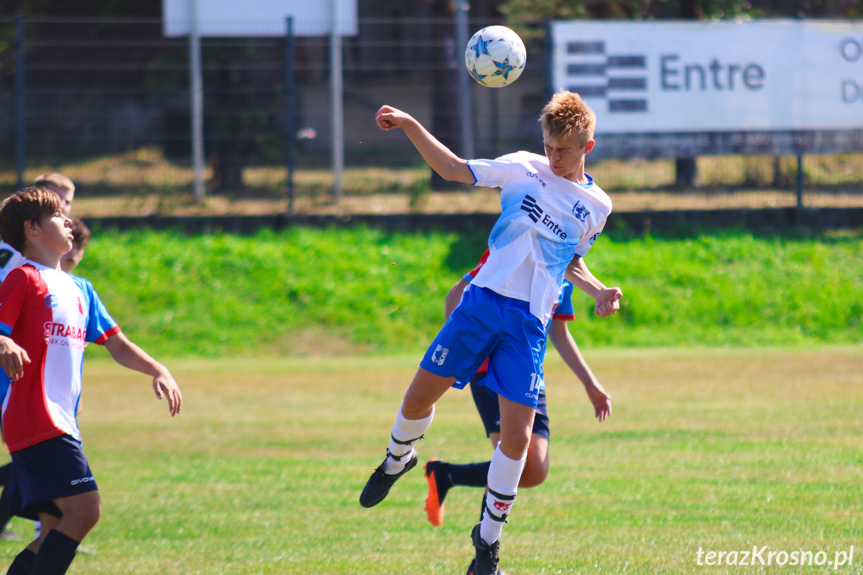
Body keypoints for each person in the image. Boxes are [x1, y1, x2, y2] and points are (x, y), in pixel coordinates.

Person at [360, 91, 621, 575]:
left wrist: (598, 290)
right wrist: (413, 124)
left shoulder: (596, 206)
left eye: (563, 150)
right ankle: (398, 459)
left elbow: (570, 260)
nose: (552, 157)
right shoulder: (522, 168)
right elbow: (455, 168)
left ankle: (487, 544)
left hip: (527, 326)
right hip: (480, 306)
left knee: (519, 443)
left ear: (588, 145)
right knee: (417, 402)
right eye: (547, 145)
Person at [0, 187, 183, 575]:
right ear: (32, 229)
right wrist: (4, 341)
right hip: (35, 417)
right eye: (57, 215)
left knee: (52, 527)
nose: (68, 220)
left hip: (63, 418)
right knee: (85, 510)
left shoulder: (80, 289)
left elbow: (117, 344)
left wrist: (158, 369)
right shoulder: (22, 278)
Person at [426, 250, 612, 575]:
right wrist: (459, 357)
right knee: (513, 460)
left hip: (527, 372)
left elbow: (559, 332)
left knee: (535, 469)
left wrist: (590, 384)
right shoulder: (517, 248)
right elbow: (456, 295)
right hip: (489, 369)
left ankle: (446, 475)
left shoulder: (565, 269)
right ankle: (481, 564)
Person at [0, 173, 77, 543]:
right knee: (74, 503)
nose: (69, 217)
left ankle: (43, 534)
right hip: (16, 387)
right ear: (31, 226)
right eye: (60, 205)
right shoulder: (17, 268)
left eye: (70, 205)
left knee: (37, 473)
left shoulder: (63, 278)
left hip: (46, 396)